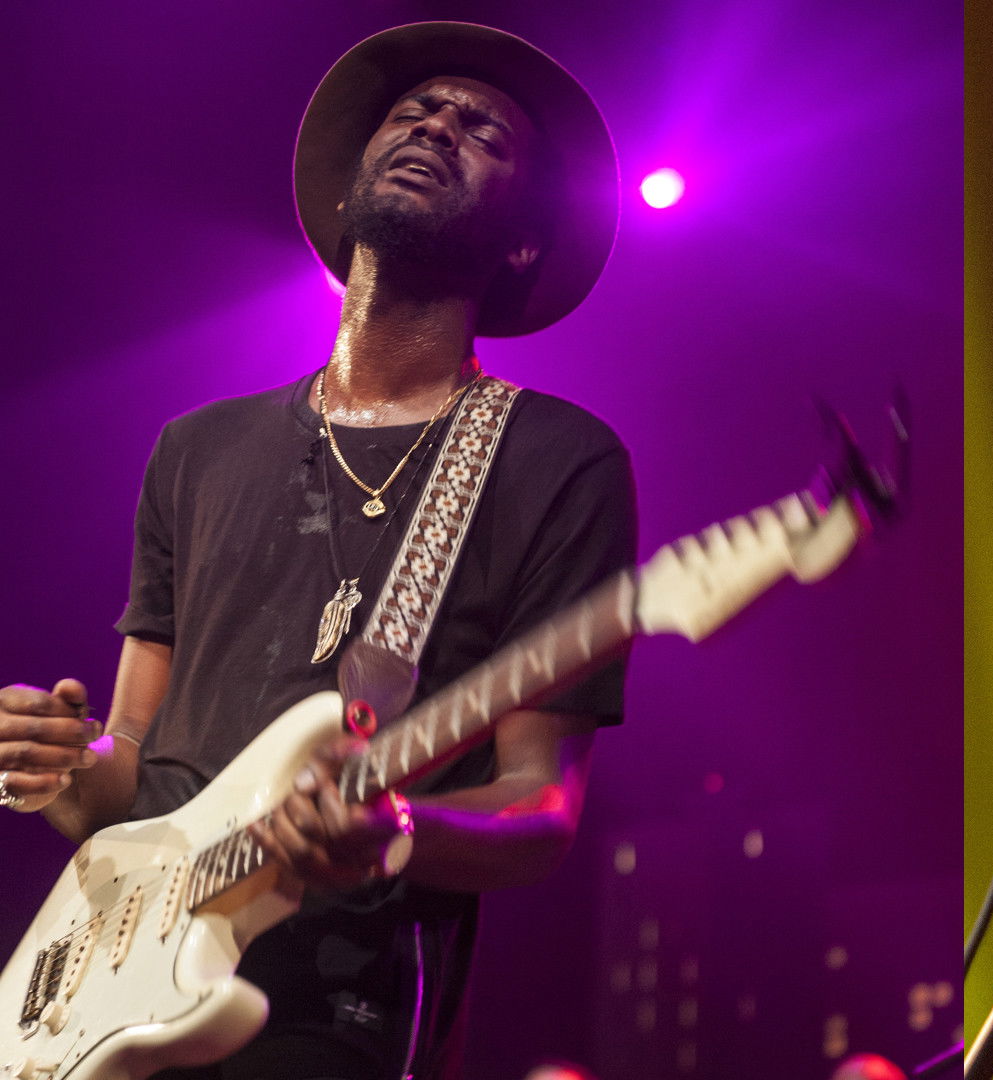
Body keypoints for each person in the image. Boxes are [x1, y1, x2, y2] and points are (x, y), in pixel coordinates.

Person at [0, 22, 630, 1079]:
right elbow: (127, 773)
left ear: (523, 243)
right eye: (415, 111)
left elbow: (541, 805)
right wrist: (58, 765)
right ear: (347, 193)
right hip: (107, 997)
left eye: (483, 132)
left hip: (340, 1012)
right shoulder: (195, 448)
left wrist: (394, 829)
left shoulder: (556, 459)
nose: (438, 127)